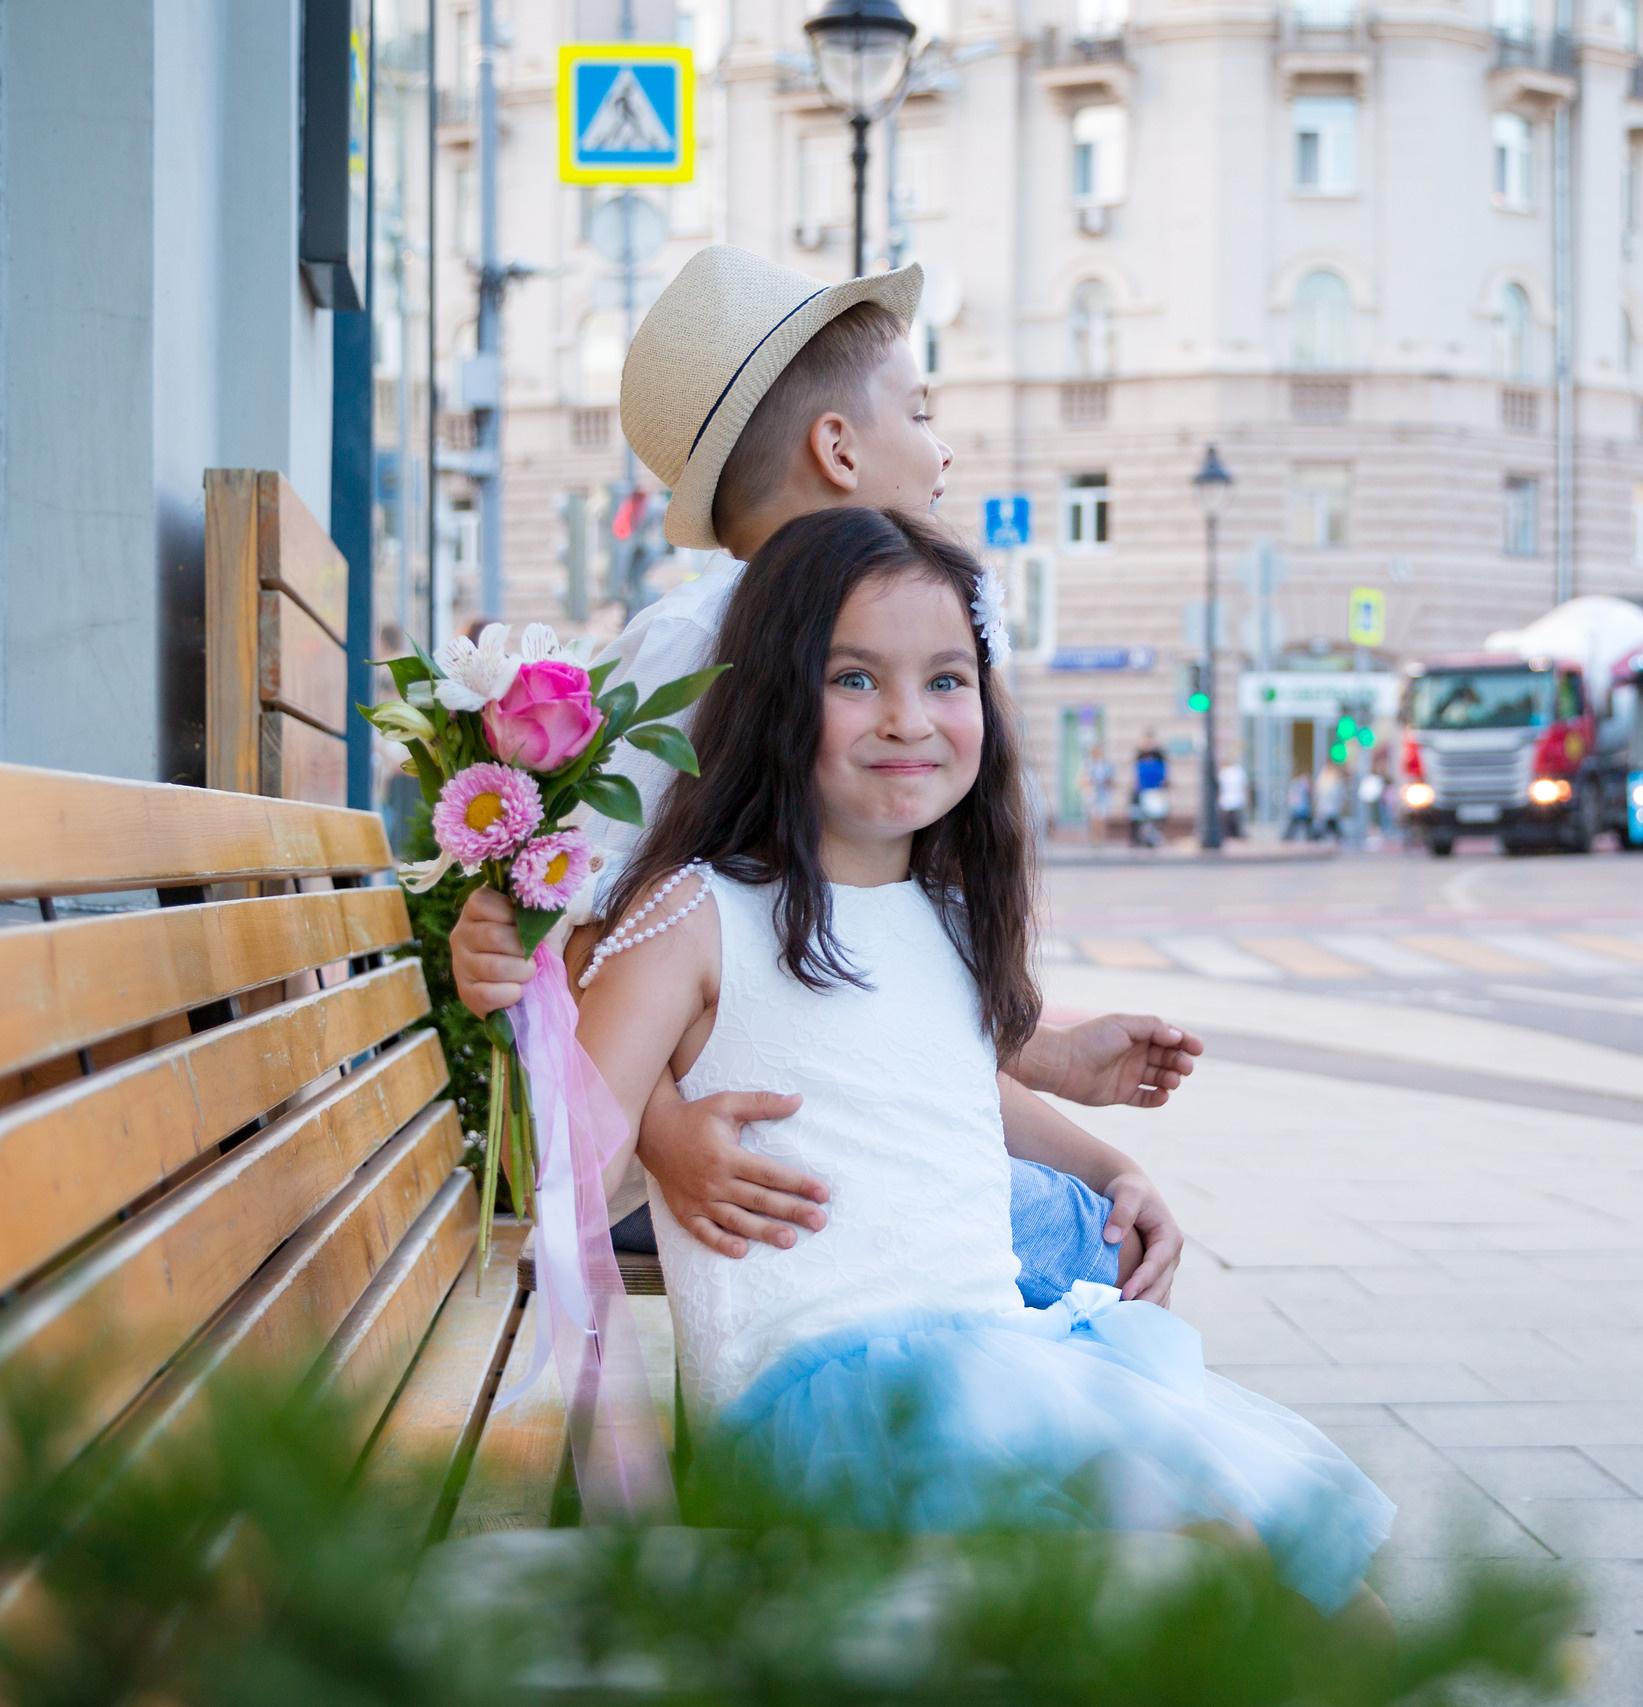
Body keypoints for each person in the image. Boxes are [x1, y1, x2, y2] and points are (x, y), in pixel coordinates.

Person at [571, 508, 1392, 1617]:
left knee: (1277, 1558)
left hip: (991, 1358)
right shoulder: (696, 913)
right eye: (853, 679)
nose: (908, 719)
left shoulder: (946, 918)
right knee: (1221, 1561)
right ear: (772, 694)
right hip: (829, 1412)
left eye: (946, 681)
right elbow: (569, 1131)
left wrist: (1109, 1170)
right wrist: (660, 1129)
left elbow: (956, 1096)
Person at [445, 246, 1195, 1306]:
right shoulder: (702, 647)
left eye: (944, 684)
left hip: (796, 1142)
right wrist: (662, 1135)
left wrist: (1058, 1080)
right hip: (733, 1171)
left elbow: (857, 1016)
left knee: (1094, 1235)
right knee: (1086, 1254)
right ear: (837, 447)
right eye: (922, 411)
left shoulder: (852, 648)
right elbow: (597, 939)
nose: (944, 450)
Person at [1130, 731, 1169, 848]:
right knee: (1141, 817)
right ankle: (1142, 839)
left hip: (1156, 791)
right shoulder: (1139, 755)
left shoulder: (1159, 755)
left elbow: (1165, 773)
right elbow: (1134, 774)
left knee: (1156, 816)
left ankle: (1153, 838)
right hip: (1142, 790)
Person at [1080, 743, 1116, 846]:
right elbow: (1083, 780)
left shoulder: (1107, 766)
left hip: (1103, 795)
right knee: (1094, 818)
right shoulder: (1088, 764)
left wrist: (1107, 781)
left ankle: (1102, 839)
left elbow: (1112, 781)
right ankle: (1095, 839)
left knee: (1102, 818)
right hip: (1092, 795)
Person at [1216, 754, 1248, 841]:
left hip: (1233, 800)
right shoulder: (1225, 771)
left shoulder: (1235, 771)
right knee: (1228, 824)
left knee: (1235, 823)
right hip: (1228, 800)